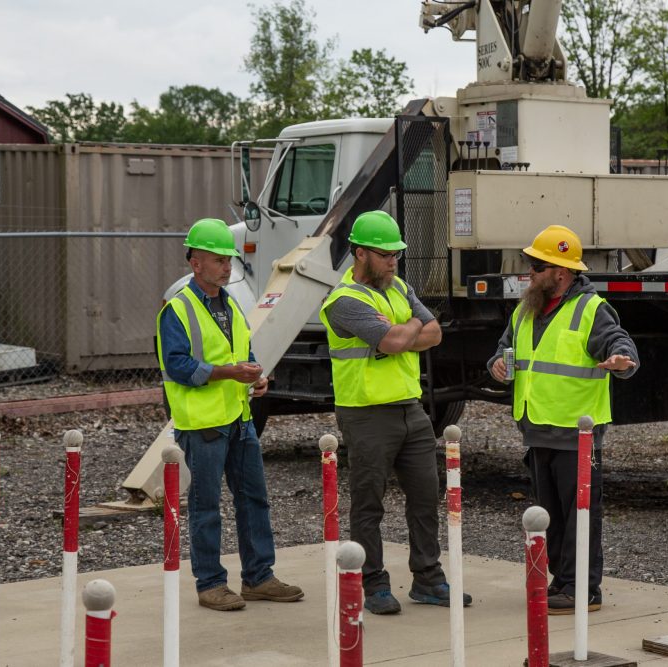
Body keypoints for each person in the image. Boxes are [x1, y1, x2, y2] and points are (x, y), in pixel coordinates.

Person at [319, 210, 472, 615]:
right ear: (360, 254)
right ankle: (372, 583)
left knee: (426, 495)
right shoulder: (344, 301)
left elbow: (434, 331)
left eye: (396, 254)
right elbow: (391, 342)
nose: (393, 261)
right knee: (369, 502)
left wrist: (401, 331)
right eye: (385, 254)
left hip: (410, 409)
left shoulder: (399, 286)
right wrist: (403, 331)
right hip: (365, 413)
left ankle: (428, 578)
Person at [487, 224, 639, 615]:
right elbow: (505, 349)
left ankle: (584, 589)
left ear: (561, 272)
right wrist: (497, 365)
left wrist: (622, 361)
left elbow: (619, 343)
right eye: (529, 265)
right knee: (549, 515)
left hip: (577, 433)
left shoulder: (591, 309)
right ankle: (563, 581)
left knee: (581, 515)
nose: (529, 273)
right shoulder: (526, 310)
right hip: (537, 429)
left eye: (536, 266)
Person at [156, 217, 304, 611]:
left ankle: (259, 577)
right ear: (195, 263)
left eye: (229, 260)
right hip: (203, 424)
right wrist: (229, 373)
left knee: (254, 499)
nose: (227, 266)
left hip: (239, 419)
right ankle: (210, 584)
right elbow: (178, 367)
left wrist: (256, 378)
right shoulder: (178, 310)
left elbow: (245, 355)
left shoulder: (232, 306)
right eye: (219, 259)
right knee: (206, 506)